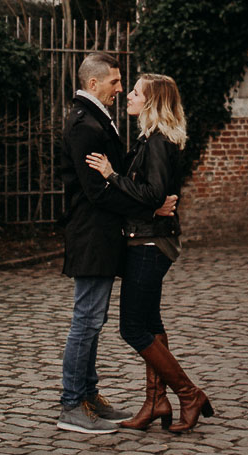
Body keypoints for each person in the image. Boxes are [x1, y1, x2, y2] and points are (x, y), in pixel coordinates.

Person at [85, 73, 214, 433]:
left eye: (137, 92)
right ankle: (156, 401)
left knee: (132, 328)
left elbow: (154, 194)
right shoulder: (150, 139)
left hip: (150, 243)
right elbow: (158, 195)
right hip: (148, 238)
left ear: (151, 101)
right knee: (151, 325)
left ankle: (189, 394)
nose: (128, 95)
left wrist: (111, 175)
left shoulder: (157, 142)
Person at [55, 51, 158, 434]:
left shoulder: (97, 119)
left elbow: (114, 173)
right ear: (93, 83)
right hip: (91, 234)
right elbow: (97, 191)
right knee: (86, 319)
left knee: (93, 319)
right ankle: (71, 404)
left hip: (101, 234)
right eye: (115, 81)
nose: (120, 86)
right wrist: (147, 206)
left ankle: (89, 395)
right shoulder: (85, 124)